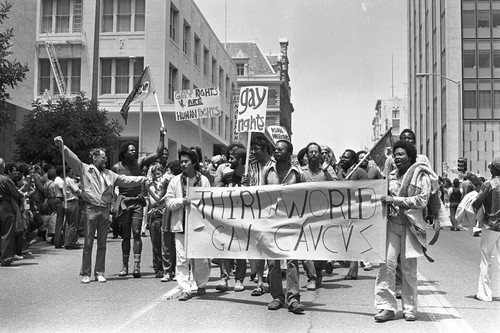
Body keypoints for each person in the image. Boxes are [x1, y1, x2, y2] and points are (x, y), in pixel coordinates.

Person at [54, 136, 146, 284]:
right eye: (102, 157)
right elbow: (72, 159)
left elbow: (126, 180)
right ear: (94, 157)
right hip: (91, 209)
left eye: (105, 158)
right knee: (88, 242)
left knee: (102, 243)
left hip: (104, 210)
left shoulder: (110, 174)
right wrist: (62, 146)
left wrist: (143, 179)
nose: (105, 160)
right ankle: (86, 273)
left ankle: (99, 272)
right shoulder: (84, 169)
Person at [375, 140, 435, 322]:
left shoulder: (421, 175)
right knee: (387, 265)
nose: (397, 157)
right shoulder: (390, 176)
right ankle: (386, 307)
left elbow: (422, 200)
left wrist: (397, 200)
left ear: (410, 156)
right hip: (391, 225)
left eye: (401, 154)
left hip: (410, 227)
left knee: (408, 269)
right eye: (395, 154)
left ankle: (410, 308)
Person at [112, 127, 166, 278]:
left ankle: (137, 266)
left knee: (136, 233)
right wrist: (113, 203)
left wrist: (161, 135)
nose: (133, 152)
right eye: (130, 150)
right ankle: (124, 266)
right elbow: (111, 186)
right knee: (125, 235)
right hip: (123, 203)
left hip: (137, 202)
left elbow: (158, 154)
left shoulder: (140, 162)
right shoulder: (116, 167)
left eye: (134, 150)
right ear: (124, 152)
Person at [264, 140, 306, 314]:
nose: (276, 152)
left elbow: (306, 195)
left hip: (291, 221)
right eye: (275, 149)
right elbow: (260, 194)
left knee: (291, 260)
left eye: (280, 149)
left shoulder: (298, 173)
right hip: (272, 220)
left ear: (289, 153)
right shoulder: (268, 171)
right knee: (273, 261)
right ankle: (277, 296)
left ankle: (293, 298)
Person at [166, 150, 211, 301]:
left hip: (199, 226)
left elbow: (210, 201)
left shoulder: (203, 180)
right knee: (181, 259)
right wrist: (181, 201)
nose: (183, 164)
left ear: (194, 163)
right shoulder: (175, 181)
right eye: (181, 161)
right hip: (181, 226)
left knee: (200, 258)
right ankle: (185, 288)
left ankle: (202, 284)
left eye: (186, 161)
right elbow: (168, 202)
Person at [300, 142, 337, 291]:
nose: (313, 154)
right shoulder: (300, 172)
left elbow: (337, 187)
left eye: (316, 152)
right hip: (304, 215)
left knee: (322, 247)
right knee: (304, 247)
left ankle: (318, 269)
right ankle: (312, 277)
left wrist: (327, 169)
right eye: (311, 152)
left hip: (323, 215)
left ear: (320, 154)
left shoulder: (327, 171)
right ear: (307, 155)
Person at [243, 134, 274, 297]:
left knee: (271, 247)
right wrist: (245, 184)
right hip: (255, 212)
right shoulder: (251, 166)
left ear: (265, 149)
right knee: (258, 248)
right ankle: (260, 282)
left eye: (256, 149)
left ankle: (272, 279)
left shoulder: (275, 165)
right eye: (252, 148)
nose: (253, 152)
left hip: (272, 213)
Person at [215, 146, 247, 292]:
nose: (229, 160)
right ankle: (224, 278)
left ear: (240, 160)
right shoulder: (225, 172)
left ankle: (239, 280)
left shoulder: (248, 173)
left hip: (242, 215)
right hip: (227, 213)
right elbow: (216, 188)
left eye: (232, 158)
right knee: (224, 246)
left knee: (240, 247)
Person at [472, 156, 500, 302]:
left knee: (486, 259)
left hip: (491, 225)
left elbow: (478, 201)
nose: (489, 168)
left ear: (495, 169)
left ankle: (484, 294)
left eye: (491, 167)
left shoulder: (489, 184)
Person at [337, 149, 368, 280]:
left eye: (347, 158)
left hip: (355, 210)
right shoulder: (339, 172)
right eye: (342, 157)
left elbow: (366, 190)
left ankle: (353, 270)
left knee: (353, 239)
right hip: (341, 210)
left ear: (354, 161)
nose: (343, 159)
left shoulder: (360, 172)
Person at [0, 158, 22, 267]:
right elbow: (16, 194)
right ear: (3, 167)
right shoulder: (5, 180)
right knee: (7, 233)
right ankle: (6, 258)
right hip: (5, 206)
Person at [64, 167, 82, 249]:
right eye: (71, 171)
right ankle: (70, 243)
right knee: (73, 224)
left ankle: (69, 241)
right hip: (72, 202)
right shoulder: (69, 180)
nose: (72, 173)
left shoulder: (65, 180)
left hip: (67, 202)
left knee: (69, 223)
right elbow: (77, 191)